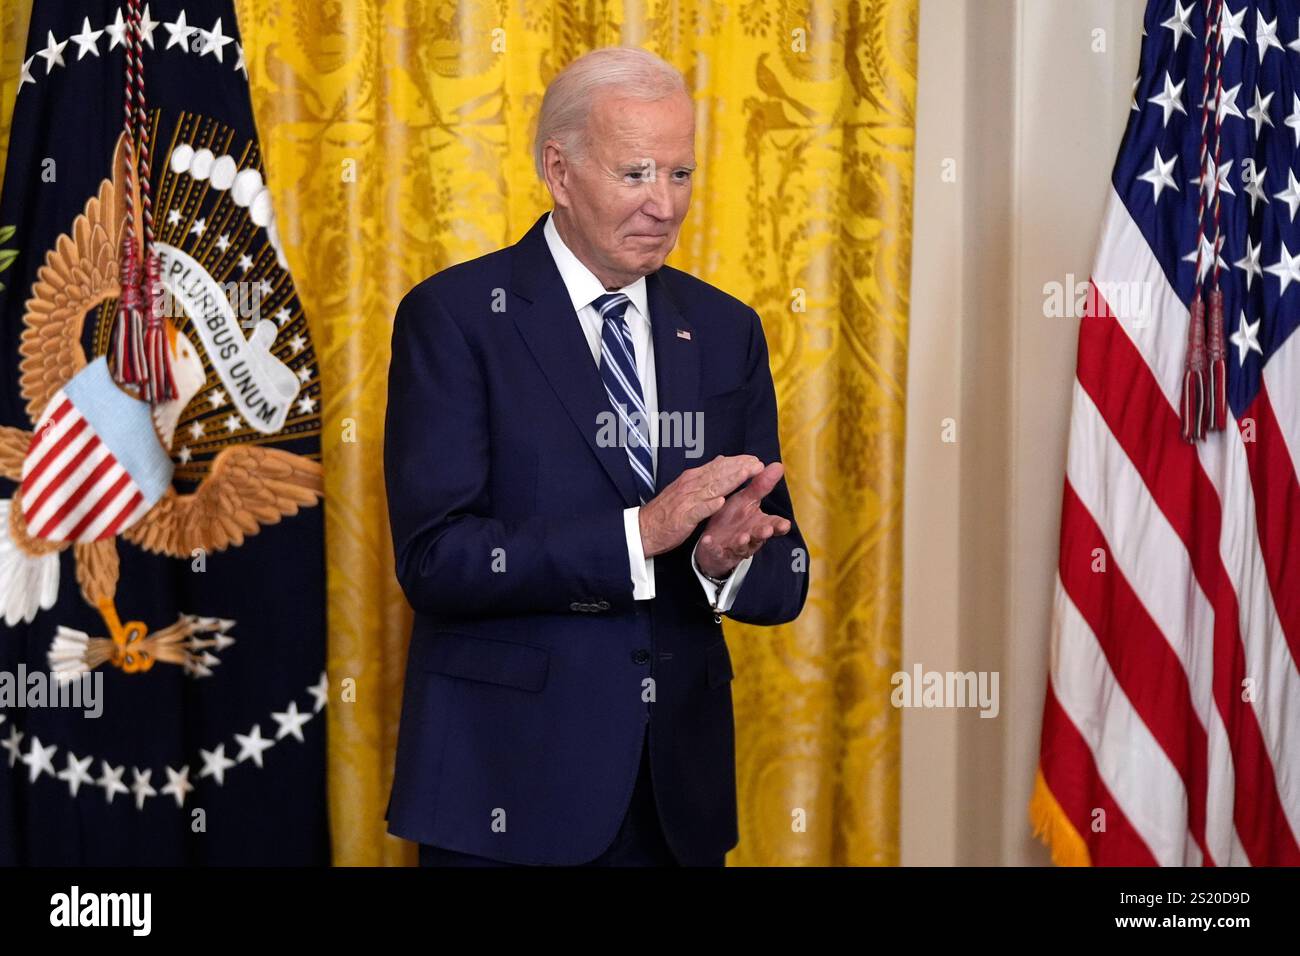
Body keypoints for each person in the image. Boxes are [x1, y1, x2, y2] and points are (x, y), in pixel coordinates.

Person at [383, 45, 808, 867]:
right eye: (636, 173)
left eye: (681, 175)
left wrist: (722, 562)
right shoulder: (457, 317)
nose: (664, 205)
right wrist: (635, 537)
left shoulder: (726, 331)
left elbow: (783, 574)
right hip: (505, 790)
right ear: (560, 169)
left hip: (675, 802)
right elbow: (435, 560)